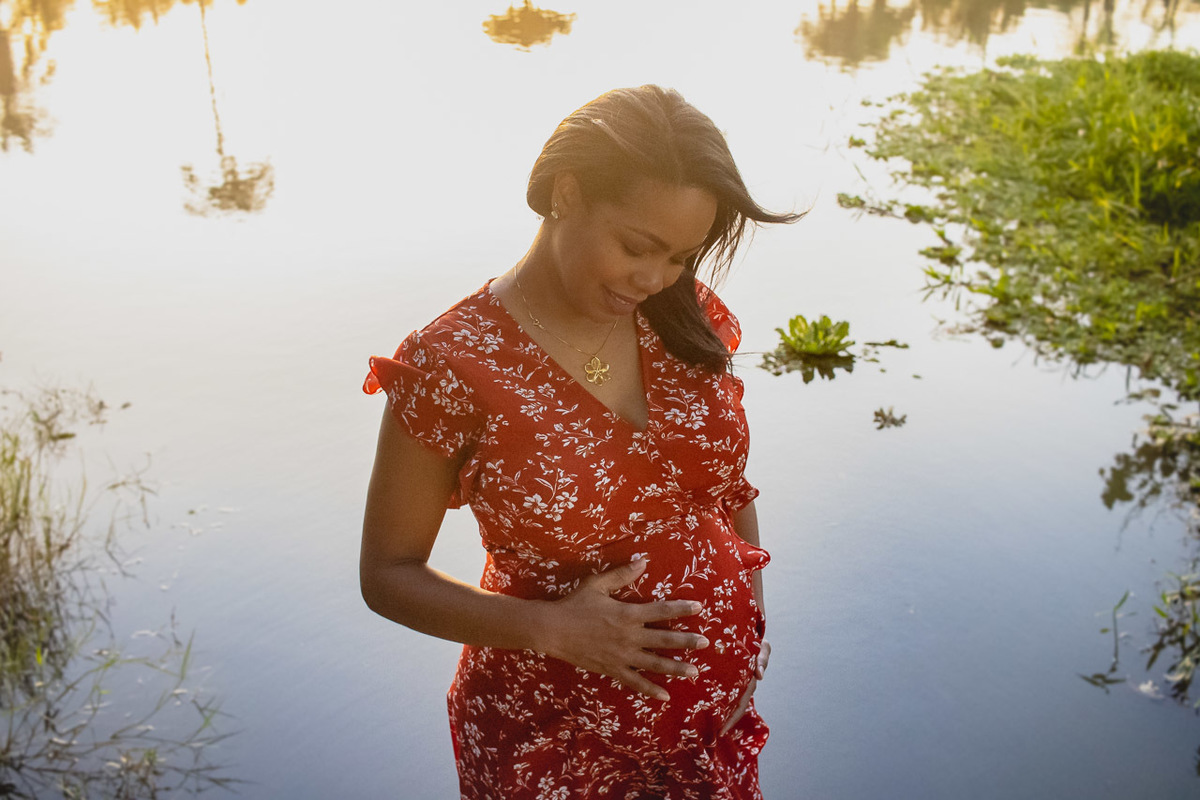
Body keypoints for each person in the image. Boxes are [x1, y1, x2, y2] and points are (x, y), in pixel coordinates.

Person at [361, 85, 800, 799]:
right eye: (638, 247)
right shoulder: (454, 361)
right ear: (566, 193)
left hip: (708, 740)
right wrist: (555, 630)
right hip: (556, 745)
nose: (655, 278)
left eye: (682, 256)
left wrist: (750, 627)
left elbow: (725, 493)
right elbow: (388, 575)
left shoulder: (684, 318)